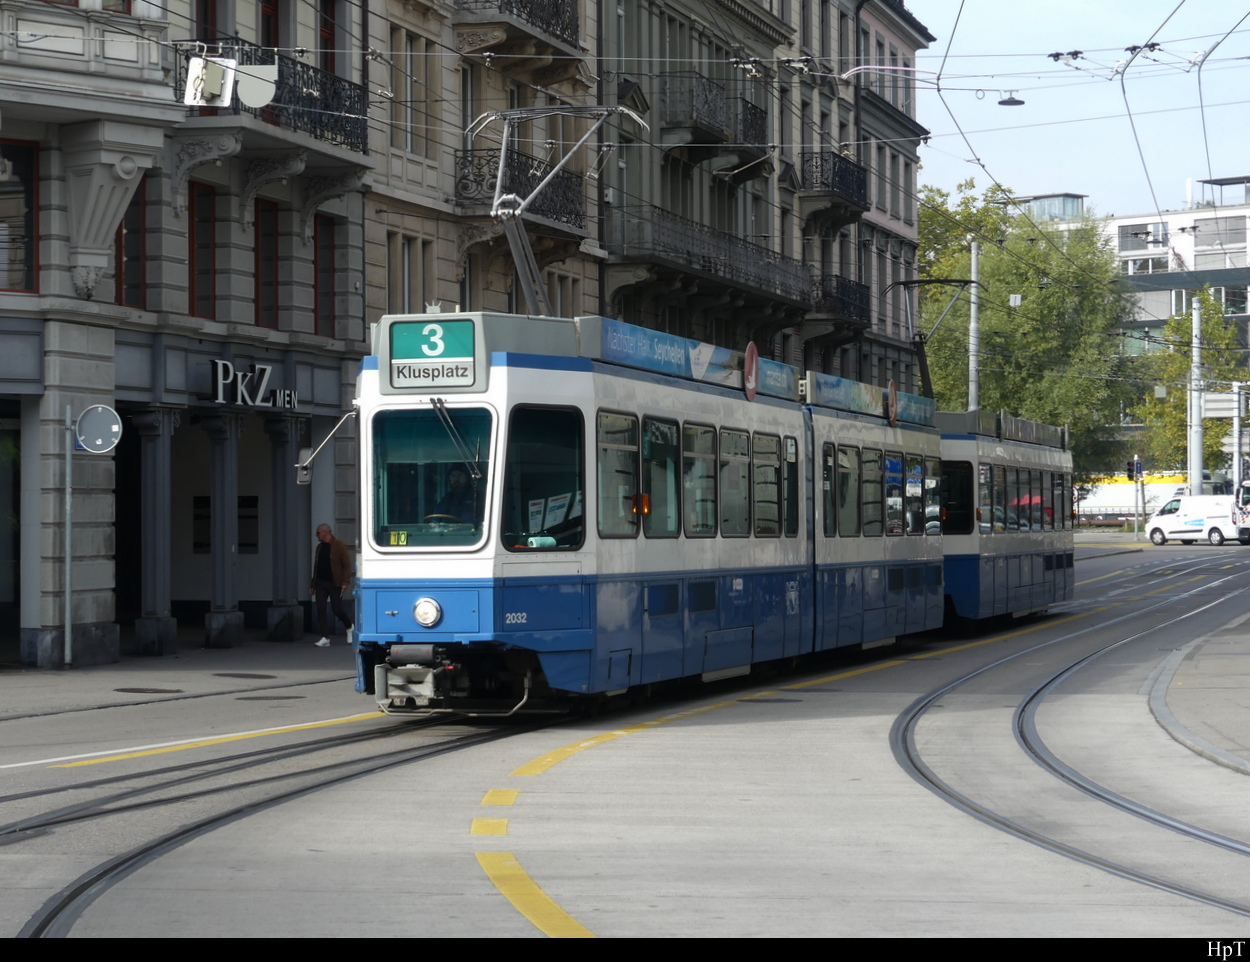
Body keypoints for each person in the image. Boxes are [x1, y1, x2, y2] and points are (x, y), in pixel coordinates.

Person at [310, 523, 353, 647]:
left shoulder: (339, 545)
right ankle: (325, 637)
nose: (316, 535)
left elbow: (346, 565)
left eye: (318, 533)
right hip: (321, 583)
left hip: (335, 583)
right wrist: (312, 584)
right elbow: (316, 567)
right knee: (320, 608)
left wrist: (345, 582)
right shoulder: (319, 547)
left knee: (336, 609)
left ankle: (349, 626)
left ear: (325, 532)